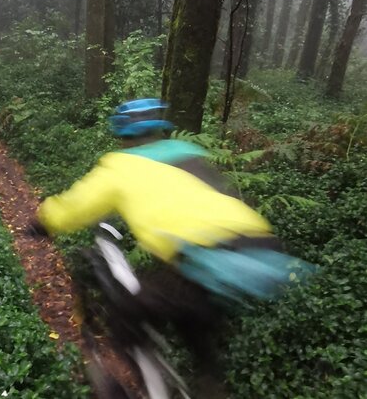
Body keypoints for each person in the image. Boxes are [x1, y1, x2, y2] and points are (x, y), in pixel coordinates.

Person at [28, 98, 293, 398]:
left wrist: (42, 221)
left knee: (124, 317)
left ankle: (154, 392)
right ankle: (209, 383)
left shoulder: (121, 166)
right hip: (256, 248)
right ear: (160, 131)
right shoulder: (190, 154)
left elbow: (75, 207)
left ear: (122, 136)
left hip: (201, 256)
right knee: (195, 317)